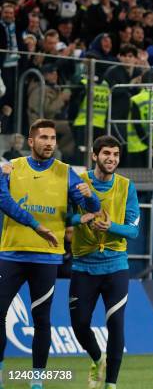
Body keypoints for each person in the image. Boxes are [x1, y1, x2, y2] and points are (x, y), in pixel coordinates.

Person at [0, 119, 100, 389]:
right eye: (43, 138)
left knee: (42, 319)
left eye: (53, 138)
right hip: (11, 254)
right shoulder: (12, 168)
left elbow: (90, 208)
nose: (49, 143)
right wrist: (36, 225)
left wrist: (90, 197)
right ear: (31, 141)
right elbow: (3, 201)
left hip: (46, 257)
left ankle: (37, 380)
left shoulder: (66, 172)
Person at [69, 135, 140, 389]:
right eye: (106, 154)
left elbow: (133, 230)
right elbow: (65, 216)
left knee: (116, 324)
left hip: (115, 266)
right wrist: (80, 220)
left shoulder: (126, 186)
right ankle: (98, 359)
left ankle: (111, 384)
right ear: (94, 155)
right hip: (83, 266)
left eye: (115, 155)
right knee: (79, 325)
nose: (111, 159)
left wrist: (112, 227)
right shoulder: (78, 182)